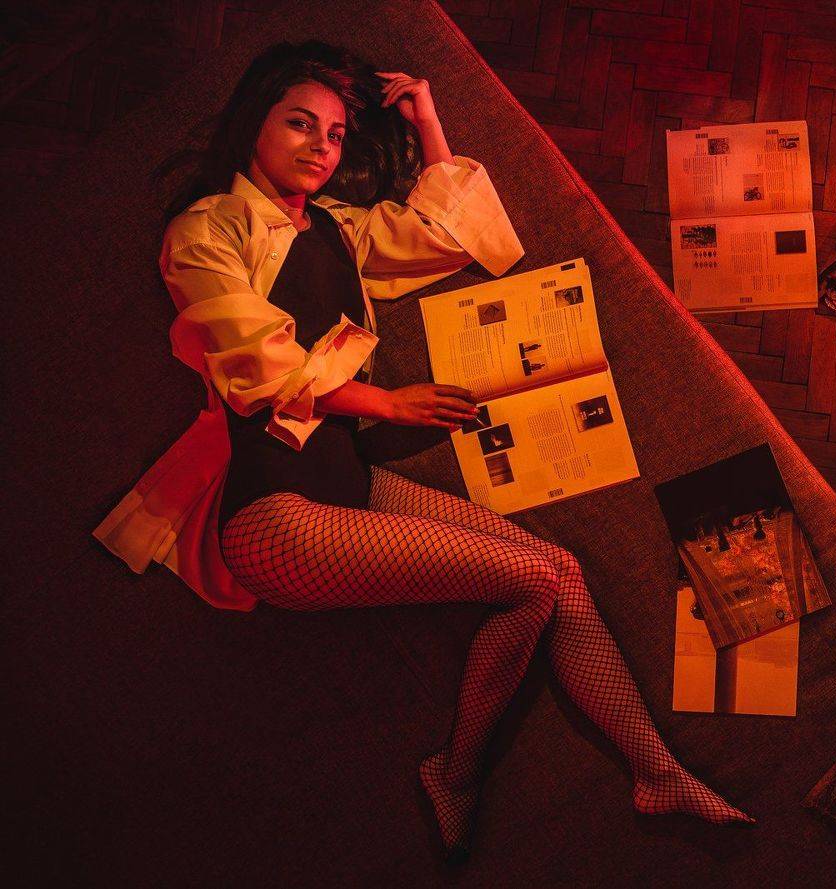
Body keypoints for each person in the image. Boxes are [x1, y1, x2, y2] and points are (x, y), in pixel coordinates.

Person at [91, 40, 752, 860]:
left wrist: (428, 119)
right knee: (540, 578)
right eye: (299, 124)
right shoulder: (206, 229)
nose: (321, 147)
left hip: (351, 485)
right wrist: (391, 402)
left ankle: (657, 771)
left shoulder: (336, 227)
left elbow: (444, 231)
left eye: (335, 134)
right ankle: (457, 770)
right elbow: (259, 367)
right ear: (253, 122)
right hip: (272, 520)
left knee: (562, 571)